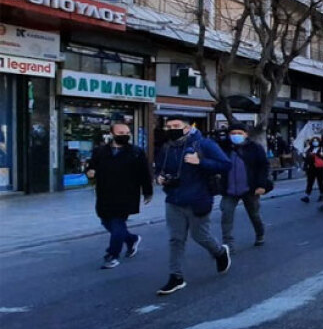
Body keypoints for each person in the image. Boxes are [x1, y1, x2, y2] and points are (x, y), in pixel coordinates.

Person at [154, 116, 232, 295]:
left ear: (187, 128)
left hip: (198, 199)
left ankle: (220, 252)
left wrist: (201, 162)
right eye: (169, 126)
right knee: (176, 239)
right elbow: (159, 167)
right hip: (173, 200)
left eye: (176, 126)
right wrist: (159, 177)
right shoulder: (167, 147)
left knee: (200, 236)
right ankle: (176, 277)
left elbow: (225, 165)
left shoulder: (203, 144)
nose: (172, 129)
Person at [85, 123, 153, 269]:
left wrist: (148, 191)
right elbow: (91, 166)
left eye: (127, 132)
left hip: (127, 194)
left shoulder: (136, 152)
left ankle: (112, 255)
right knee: (106, 222)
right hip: (104, 194)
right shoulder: (100, 151)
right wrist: (90, 172)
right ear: (112, 134)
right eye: (121, 132)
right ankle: (131, 239)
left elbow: (144, 173)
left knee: (117, 223)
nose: (124, 135)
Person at [219, 123, 270, 249]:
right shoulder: (223, 147)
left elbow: (263, 166)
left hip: (250, 189)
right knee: (226, 215)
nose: (236, 136)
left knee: (254, 214)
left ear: (246, 134)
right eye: (233, 133)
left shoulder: (255, 148)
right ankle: (228, 243)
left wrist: (261, 185)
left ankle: (260, 233)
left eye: (239, 133)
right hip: (229, 189)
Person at [300, 136, 323, 203]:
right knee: (310, 182)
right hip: (311, 168)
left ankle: (321, 194)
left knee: (320, 182)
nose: (315, 142)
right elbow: (306, 159)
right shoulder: (310, 149)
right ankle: (307, 196)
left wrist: (320, 155)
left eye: (316, 141)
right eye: (314, 141)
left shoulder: (322, 149)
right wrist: (305, 166)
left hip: (320, 168)